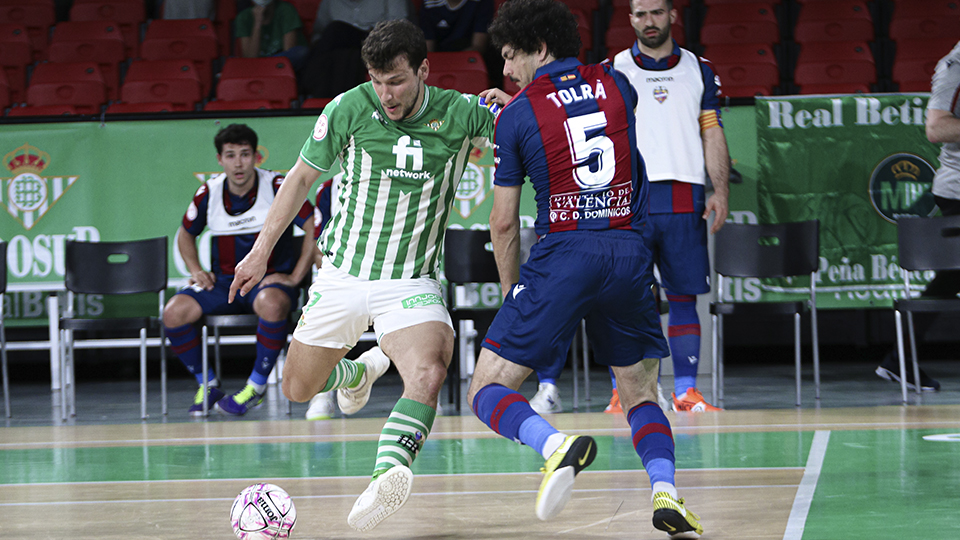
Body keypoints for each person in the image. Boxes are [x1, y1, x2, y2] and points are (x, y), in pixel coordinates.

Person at [229, 19, 497, 531]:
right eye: (377, 80)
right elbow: (302, 178)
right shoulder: (350, 107)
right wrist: (262, 252)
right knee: (297, 389)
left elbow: (521, 120)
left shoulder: (460, 113)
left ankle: (387, 472)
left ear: (423, 69)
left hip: (411, 281)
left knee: (429, 370)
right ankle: (358, 371)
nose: (386, 94)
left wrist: (510, 99)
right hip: (343, 275)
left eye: (396, 80)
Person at [467, 1, 703, 537]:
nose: (507, 71)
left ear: (540, 48)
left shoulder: (518, 116)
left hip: (565, 254)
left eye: (510, 57)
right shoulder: (621, 84)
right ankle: (665, 492)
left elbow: (503, 225)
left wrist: (511, 293)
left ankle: (555, 444)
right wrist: (527, 103)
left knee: (486, 389)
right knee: (640, 393)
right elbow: (580, 118)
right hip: (627, 254)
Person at [611, 0, 730, 412]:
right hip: (632, 202)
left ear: (672, 15)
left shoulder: (700, 68)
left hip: (685, 198)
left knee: (683, 297)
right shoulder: (616, 69)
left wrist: (721, 190)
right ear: (630, 19)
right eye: (640, 14)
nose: (649, 21)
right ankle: (624, 392)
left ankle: (685, 392)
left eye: (656, 12)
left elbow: (712, 132)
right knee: (628, 300)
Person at [163, 124, 316, 416]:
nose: (238, 163)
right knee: (173, 311)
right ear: (220, 159)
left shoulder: (277, 186)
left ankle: (255, 388)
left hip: (268, 282)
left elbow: (313, 226)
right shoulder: (209, 191)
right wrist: (196, 270)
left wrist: (295, 278)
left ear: (256, 157)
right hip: (225, 283)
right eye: (231, 155)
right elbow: (185, 234)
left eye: (245, 154)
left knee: (271, 303)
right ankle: (207, 384)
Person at [874, 41, 960, 392]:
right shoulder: (954, 68)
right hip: (958, 192)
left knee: (950, 280)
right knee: (950, 279)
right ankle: (898, 359)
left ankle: (898, 360)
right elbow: (936, 129)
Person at [300, 0, 414, 97]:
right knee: (346, 56)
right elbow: (318, 34)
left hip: (379, 44)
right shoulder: (331, 2)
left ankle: (305, 85)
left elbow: (399, 30)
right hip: (347, 51)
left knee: (336, 30)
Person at [235, 0, 309, 71]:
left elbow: (289, 54)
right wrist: (257, 23)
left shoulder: (286, 9)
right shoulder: (243, 17)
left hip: (281, 66)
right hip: (258, 66)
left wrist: (269, 64)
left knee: (301, 52)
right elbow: (250, 58)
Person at [420, 0, 493, 53]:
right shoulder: (429, 4)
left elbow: (479, 46)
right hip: (439, 61)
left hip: (469, 61)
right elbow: (428, 50)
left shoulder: (481, 2)